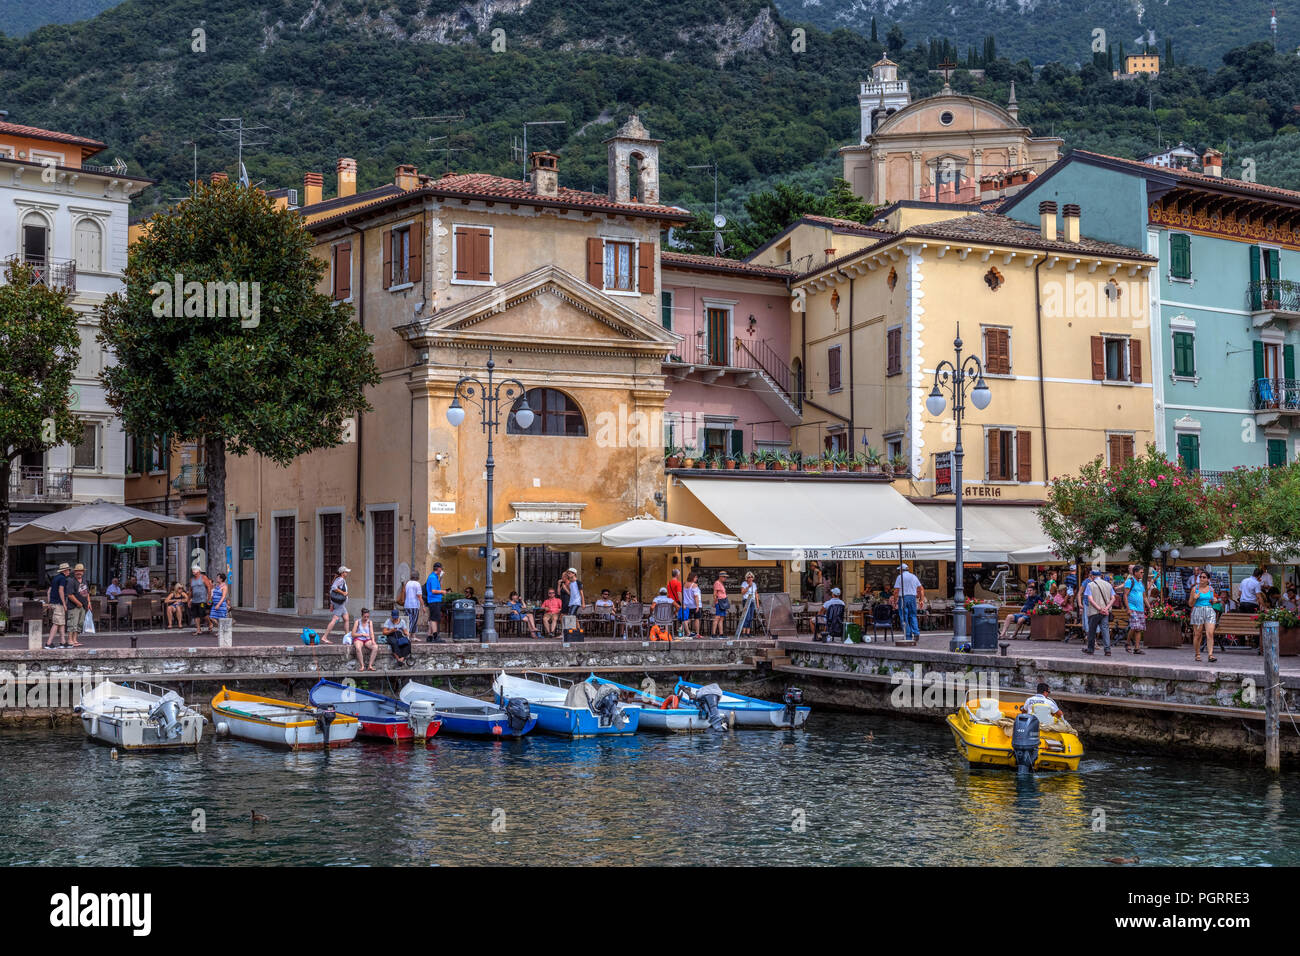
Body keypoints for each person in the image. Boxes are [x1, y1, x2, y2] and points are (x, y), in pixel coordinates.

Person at [1082, 569, 1114, 656]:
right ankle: (1107, 650)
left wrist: (1099, 609)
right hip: (1105, 612)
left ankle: (1090, 649)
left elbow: (1090, 599)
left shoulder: (1090, 585)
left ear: (1092, 576)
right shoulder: (1108, 585)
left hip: (1094, 612)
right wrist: (1106, 608)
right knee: (1105, 630)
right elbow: (1113, 598)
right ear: (1100, 576)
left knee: (1092, 630)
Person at [1188, 571, 1218, 663]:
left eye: (1204, 577)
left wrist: (1214, 601)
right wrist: (1194, 598)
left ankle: (1210, 655)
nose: (1201, 578)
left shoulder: (1211, 589)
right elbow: (1190, 604)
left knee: (1210, 633)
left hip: (1209, 611)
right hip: (1198, 610)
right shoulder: (1195, 589)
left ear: (1208, 579)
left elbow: (1212, 601)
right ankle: (1197, 654)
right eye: (1200, 577)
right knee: (1198, 634)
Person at [893, 563, 925, 642]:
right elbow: (921, 589)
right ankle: (916, 632)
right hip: (912, 598)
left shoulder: (900, 577)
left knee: (904, 617)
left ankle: (908, 636)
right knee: (913, 615)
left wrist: (895, 600)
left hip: (903, 598)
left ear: (901, 570)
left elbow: (896, 591)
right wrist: (921, 600)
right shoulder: (914, 577)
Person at [1122, 565, 1148, 654]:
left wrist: (1150, 608)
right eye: (1141, 572)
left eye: (1143, 572)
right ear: (1135, 572)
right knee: (1135, 626)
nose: (1142, 574)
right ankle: (1127, 642)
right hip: (1132, 607)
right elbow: (1125, 595)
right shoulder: (1130, 581)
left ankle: (1136, 648)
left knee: (1138, 629)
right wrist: (1128, 608)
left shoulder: (1141, 584)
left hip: (1140, 609)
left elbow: (1144, 597)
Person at [322, 565, 351, 644]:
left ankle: (347, 637)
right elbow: (334, 588)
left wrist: (332, 604)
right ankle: (325, 637)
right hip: (340, 604)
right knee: (334, 619)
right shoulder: (341, 579)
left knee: (346, 618)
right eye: (346, 572)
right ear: (342, 573)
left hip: (340, 604)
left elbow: (332, 592)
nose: (347, 573)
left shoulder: (338, 579)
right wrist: (343, 593)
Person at [45, 562, 71, 649]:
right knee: (56, 623)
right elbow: (61, 591)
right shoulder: (63, 579)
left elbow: (49, 591)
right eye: (68, 570)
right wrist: (64, 604)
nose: (69, 572)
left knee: (61, 623)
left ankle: (63, 642)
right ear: (65, 571)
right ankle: (48, 643)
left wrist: (49, 602)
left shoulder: (55, 578)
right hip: (58, 603)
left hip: (54, 603)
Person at [188, 565, 213, 637]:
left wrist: (209, 598)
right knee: (195, 615)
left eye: (195, 570)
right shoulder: (192, 579)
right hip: (194, 600)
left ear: (199, 571)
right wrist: (189, 600)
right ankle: (198, 630)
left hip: (202, 600)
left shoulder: (203, 577)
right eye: (193, 570)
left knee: (202, 613)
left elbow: (209, 587)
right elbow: (190, 590)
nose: (193, 571)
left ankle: (210, 623)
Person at [424, 562, 446, 642]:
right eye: (441, 568)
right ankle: (435, 636)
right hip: (434, 600)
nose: (442, 570)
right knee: (434, 619)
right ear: (439, 568)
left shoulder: (435, 577)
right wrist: (442, 592)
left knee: (432, 618)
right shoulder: (433, 577)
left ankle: (429, 636)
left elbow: (438, 586)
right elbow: (433, 590)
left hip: (435, 600)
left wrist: (442, 577)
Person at [209, 572, 232, 644]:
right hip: (214, 604)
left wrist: (218, 604)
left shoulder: (224, 587)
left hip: (221, 605)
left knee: (221, 619)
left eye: (218, 577)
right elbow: (213, 594)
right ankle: (221, 629)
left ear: (221, 579)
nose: (217, 578)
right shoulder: (217, 585)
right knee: (211, 617)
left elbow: (223, 597)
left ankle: (221, 631)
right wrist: (211, 599)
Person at [739, 571, 758, 637]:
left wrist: (757, 603)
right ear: (746, 578)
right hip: (746, 601)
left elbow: (756, 594)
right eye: (748, 577)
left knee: (750, 617)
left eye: (751, 577)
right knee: (746, 617)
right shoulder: (744, 583)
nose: (750, 578)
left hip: (752, 601)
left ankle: (748, 633)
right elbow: (742, 592)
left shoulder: (754, 584)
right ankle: (743, 633)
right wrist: (748, 587)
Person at [683, 573, 702, 637]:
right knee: (697, 619)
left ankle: (682, 628)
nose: (696, 579)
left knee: (688, 619)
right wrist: (697, 606)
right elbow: (696, 596)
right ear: (692, 577)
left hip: (687, 605)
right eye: (696, 577)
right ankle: (697, 633)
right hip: (694, 604)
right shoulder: (694, 585)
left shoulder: (684, 584)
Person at [712, 572, 729, 636]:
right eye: (724, 577)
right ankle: (713, 633)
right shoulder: (717, 583)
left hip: (723, 602)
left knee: (721, 618)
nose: (725, 578)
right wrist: (715, 602)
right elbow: (715, 593)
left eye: (726, 577)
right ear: (720, 577)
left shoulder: (721, 583)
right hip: (719, 602)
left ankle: (721, 633)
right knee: (717, 617)